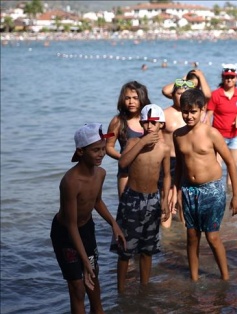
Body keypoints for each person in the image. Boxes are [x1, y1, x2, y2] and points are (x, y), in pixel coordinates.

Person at [50, 123, 126, 313]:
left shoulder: (100, 173)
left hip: (86, 229)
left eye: (102, 149)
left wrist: (114, 224)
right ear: (81, 151)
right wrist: (84, 260)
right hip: (66, 234)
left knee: (93, 280)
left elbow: (97, 201)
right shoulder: (70, 182)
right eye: (95, 150)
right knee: (77, 287)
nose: (101, 154)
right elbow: (71, 224)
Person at [173, 88, 237, 281]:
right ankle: (194, 280)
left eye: (193, 111)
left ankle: (225, 278)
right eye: (185, 111)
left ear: (203, 110)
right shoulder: (178, 135)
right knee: (192, 236)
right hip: (188, 190)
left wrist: (236, 194)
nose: (188, 116)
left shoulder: (212, 133)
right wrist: (177, 192)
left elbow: (230, 162)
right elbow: (179, 165)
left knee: (212, 237)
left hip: (212, 190)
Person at [110, 104, 171, 293]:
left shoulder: (164, 148)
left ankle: (144, 287)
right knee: (125, 249)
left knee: (147, 248)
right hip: (132, 200)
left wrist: (165, 200)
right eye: (146, 122)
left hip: (152, 200)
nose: (150, 126)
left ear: (161, 124)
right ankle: (120, 290)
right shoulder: (133, 143)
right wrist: (143, 143)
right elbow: (123, 163)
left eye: (154, 123)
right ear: (141, 124)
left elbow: (167, 175)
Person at [206, 64, 237, 185]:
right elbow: (208, 115)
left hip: (236, 136)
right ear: (222, 77)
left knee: (233, 166)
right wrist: (206, 132)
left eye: (232, 76)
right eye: (227, 77)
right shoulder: (215, 94)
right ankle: (217, 192)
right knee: (216, 166)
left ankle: (231, 194)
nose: (229, 79)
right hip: (218, 136)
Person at [106, 81, 151, 198]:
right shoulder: (118, 121)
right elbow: (108, 147)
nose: (131, 102)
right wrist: (123, 158)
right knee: (125, 210)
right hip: (126, 173)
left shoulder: (150, 120)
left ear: (142, 98)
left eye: (135, 98)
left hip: (149, 172)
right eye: (127, 98)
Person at [161, 79, 197, 228]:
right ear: (172, 95)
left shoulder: (191, 115)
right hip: (169, 160)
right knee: (167, 197)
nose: (181, 97)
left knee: (183, 197)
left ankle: (183, 232)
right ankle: (166, 235)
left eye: (184, 94)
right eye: (178, 93)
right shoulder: (164, 114)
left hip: (187, 160)